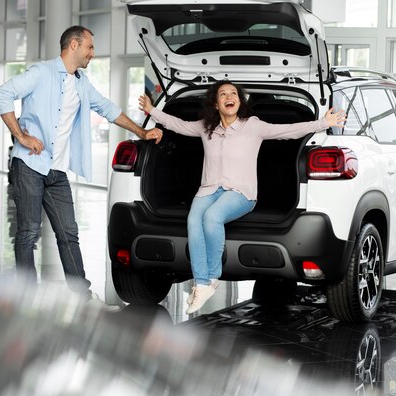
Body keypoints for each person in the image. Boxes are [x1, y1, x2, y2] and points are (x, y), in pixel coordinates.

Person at [138, 81, 346, 314]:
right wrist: (152, 110)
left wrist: (322, 123)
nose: (229, 97)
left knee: (212, 217)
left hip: (241, 193)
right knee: (193, 220)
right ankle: (202, 283)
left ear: (239, 101)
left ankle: (212, 277)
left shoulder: (252, 126)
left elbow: (287, 130)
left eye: (233, 93)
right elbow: (178, 125)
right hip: (208, 189)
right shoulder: (208, 127)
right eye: (223, 94)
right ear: (216, 104)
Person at [0, 25, 163, 305]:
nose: (92, 53)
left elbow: (109, 109)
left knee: (68, 233)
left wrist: (142, 133)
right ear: (74, 45)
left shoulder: (82, 82)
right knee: (28, 232)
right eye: (90, 47)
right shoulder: (41, 73)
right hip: (29, 165)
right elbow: (2, 94)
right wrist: (21, 136)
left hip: (56, 171)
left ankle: (81, 296)